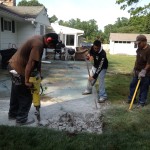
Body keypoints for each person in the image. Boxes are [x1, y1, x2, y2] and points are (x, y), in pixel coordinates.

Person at [8, 33, 59, 125]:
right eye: (51, 45)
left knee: (15, 92)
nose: (51, 47)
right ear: (48, 40)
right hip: (19, 70)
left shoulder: (39, 39)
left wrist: (39, 73)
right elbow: (31, 63)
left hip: (12, 66)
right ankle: (21, 119)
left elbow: (37, 61)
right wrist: (27, 80)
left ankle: (13, 114)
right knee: (26, 94)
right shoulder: (38, 45)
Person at [127, 34, 150, 108]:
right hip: (137, 71)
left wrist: (144, 71)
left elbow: (149, 63)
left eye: (139, 43)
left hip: (145, 73)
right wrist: (135, 68)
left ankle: (141, 102)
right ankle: (131, 99)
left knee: (144, 87)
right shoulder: (139, 49)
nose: (138, 44)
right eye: (137, 43)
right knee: (132, 85)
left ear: (145, 42)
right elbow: (137, 59)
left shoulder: (149, 50)